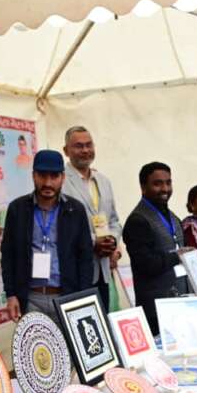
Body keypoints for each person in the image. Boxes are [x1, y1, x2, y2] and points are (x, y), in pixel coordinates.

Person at [0, 150, 94, 322]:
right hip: (30, 299)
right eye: (42, 176)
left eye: (54, 176)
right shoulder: (17, 209)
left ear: (62, 178)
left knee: (66, 341)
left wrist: (83, 298)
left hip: (67, 298)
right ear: (33, 176)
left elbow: (85, 257)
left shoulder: (75, 210)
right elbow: (8, 255)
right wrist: (11, 294)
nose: (48, 183)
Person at [123, 162, 188, 334]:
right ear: (143, 187)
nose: (165, 189)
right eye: (157, 184)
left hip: (180, 302)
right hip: (155, 309)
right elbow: (147, 265)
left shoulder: (173, 217)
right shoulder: (137, 220)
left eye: (168, 182)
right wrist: (178, 255)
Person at [62, 126, 123, 311]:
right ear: (66, 151)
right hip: (76, 272)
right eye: (78, 146)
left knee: (102, 320)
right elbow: (62, 226)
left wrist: (112, 240)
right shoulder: (61, 182)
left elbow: (114, 221)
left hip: (103, 270)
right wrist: (93, 241)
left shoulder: (103, 181)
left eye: (89, 145)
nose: (85, 150)